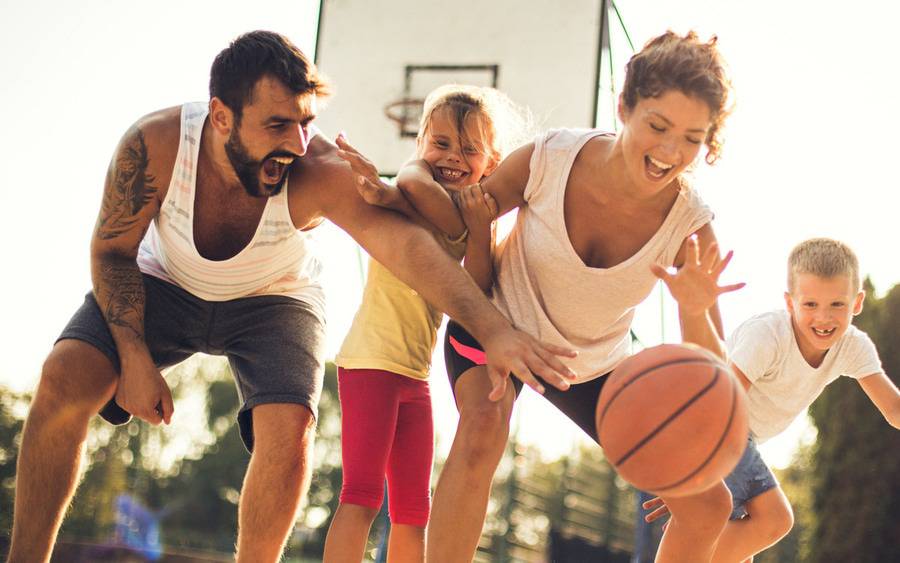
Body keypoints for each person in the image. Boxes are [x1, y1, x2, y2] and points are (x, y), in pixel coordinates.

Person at [6, 31, 577, 563]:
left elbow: (408, 250)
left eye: (305, 123)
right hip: (163, 285)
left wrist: (495, 329)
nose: (296, 142)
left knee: (290, 425)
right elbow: (111, 252)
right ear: (221, 116)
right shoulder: (155, 144)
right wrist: (131, 355)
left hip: (275, 300)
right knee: (63, 375)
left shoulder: (315, 167)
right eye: (278, 125)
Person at [342, 30, 744, 563]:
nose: (671, 151)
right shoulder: (550, 158)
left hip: (591, 363)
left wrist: (694, 311)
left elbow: (711, 372)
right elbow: (461, 218)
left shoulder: (691, 226)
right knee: (484, 426)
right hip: (499, 325)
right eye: (659, 126)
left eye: (692, 138)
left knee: (708, 504)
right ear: (624, 108)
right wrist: (398, 189)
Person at [322, 85, 527, 563]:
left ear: (491, 162)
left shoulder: (474, 220)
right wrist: (382, 191)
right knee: (362, 495)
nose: (452, 157)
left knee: (414, 510)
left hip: (414, 376)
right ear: (420, 145)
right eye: (440, 144)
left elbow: (474, 289)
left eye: (469, 149)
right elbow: (413, 185)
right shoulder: (410, 185)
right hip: (370, 362)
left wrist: (479, 228)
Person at [643, 238, 900, 562]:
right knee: (774, 518)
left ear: (857, 302)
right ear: (790, 302)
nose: (824, 318)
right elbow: (720, 402)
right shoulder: (768, 337)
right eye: (810, 305)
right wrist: (693, 470)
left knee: (742, 544)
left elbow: (893, 407)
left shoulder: (852, 346)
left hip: (737, 438)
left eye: (837, 305)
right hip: (711, 426)